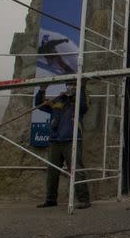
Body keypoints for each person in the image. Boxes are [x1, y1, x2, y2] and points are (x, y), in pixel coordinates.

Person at [35, 80, 91, 209]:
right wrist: (42, 90)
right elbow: (39, 104)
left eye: (73, 84)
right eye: (68, 84)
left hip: (72, 139)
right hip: (55, 140)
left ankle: (84, 199)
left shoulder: (79, 101)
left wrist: (82, 88)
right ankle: (50, 199)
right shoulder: (58, 100)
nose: (70, 87)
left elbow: (83, 106)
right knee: (52, 171)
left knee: (76, 169)